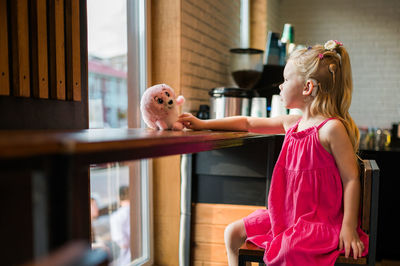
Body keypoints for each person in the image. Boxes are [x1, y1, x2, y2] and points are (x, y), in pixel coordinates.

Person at [178, 40, 368, 266]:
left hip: (319, 223)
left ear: (307, 88)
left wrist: (348, 227)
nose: (280, 85)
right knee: (232, 233)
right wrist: (202, 123)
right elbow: (247, 122)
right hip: (286, 218)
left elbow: (351, 179)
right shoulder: (293, 123)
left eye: (286, 79)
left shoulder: (331, 129)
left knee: (288, 250)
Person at [110, 186, 131, 265]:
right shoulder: (141, 211)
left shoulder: (116, 217)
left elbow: (123, 244)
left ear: (118, 197)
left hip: (127, 261)